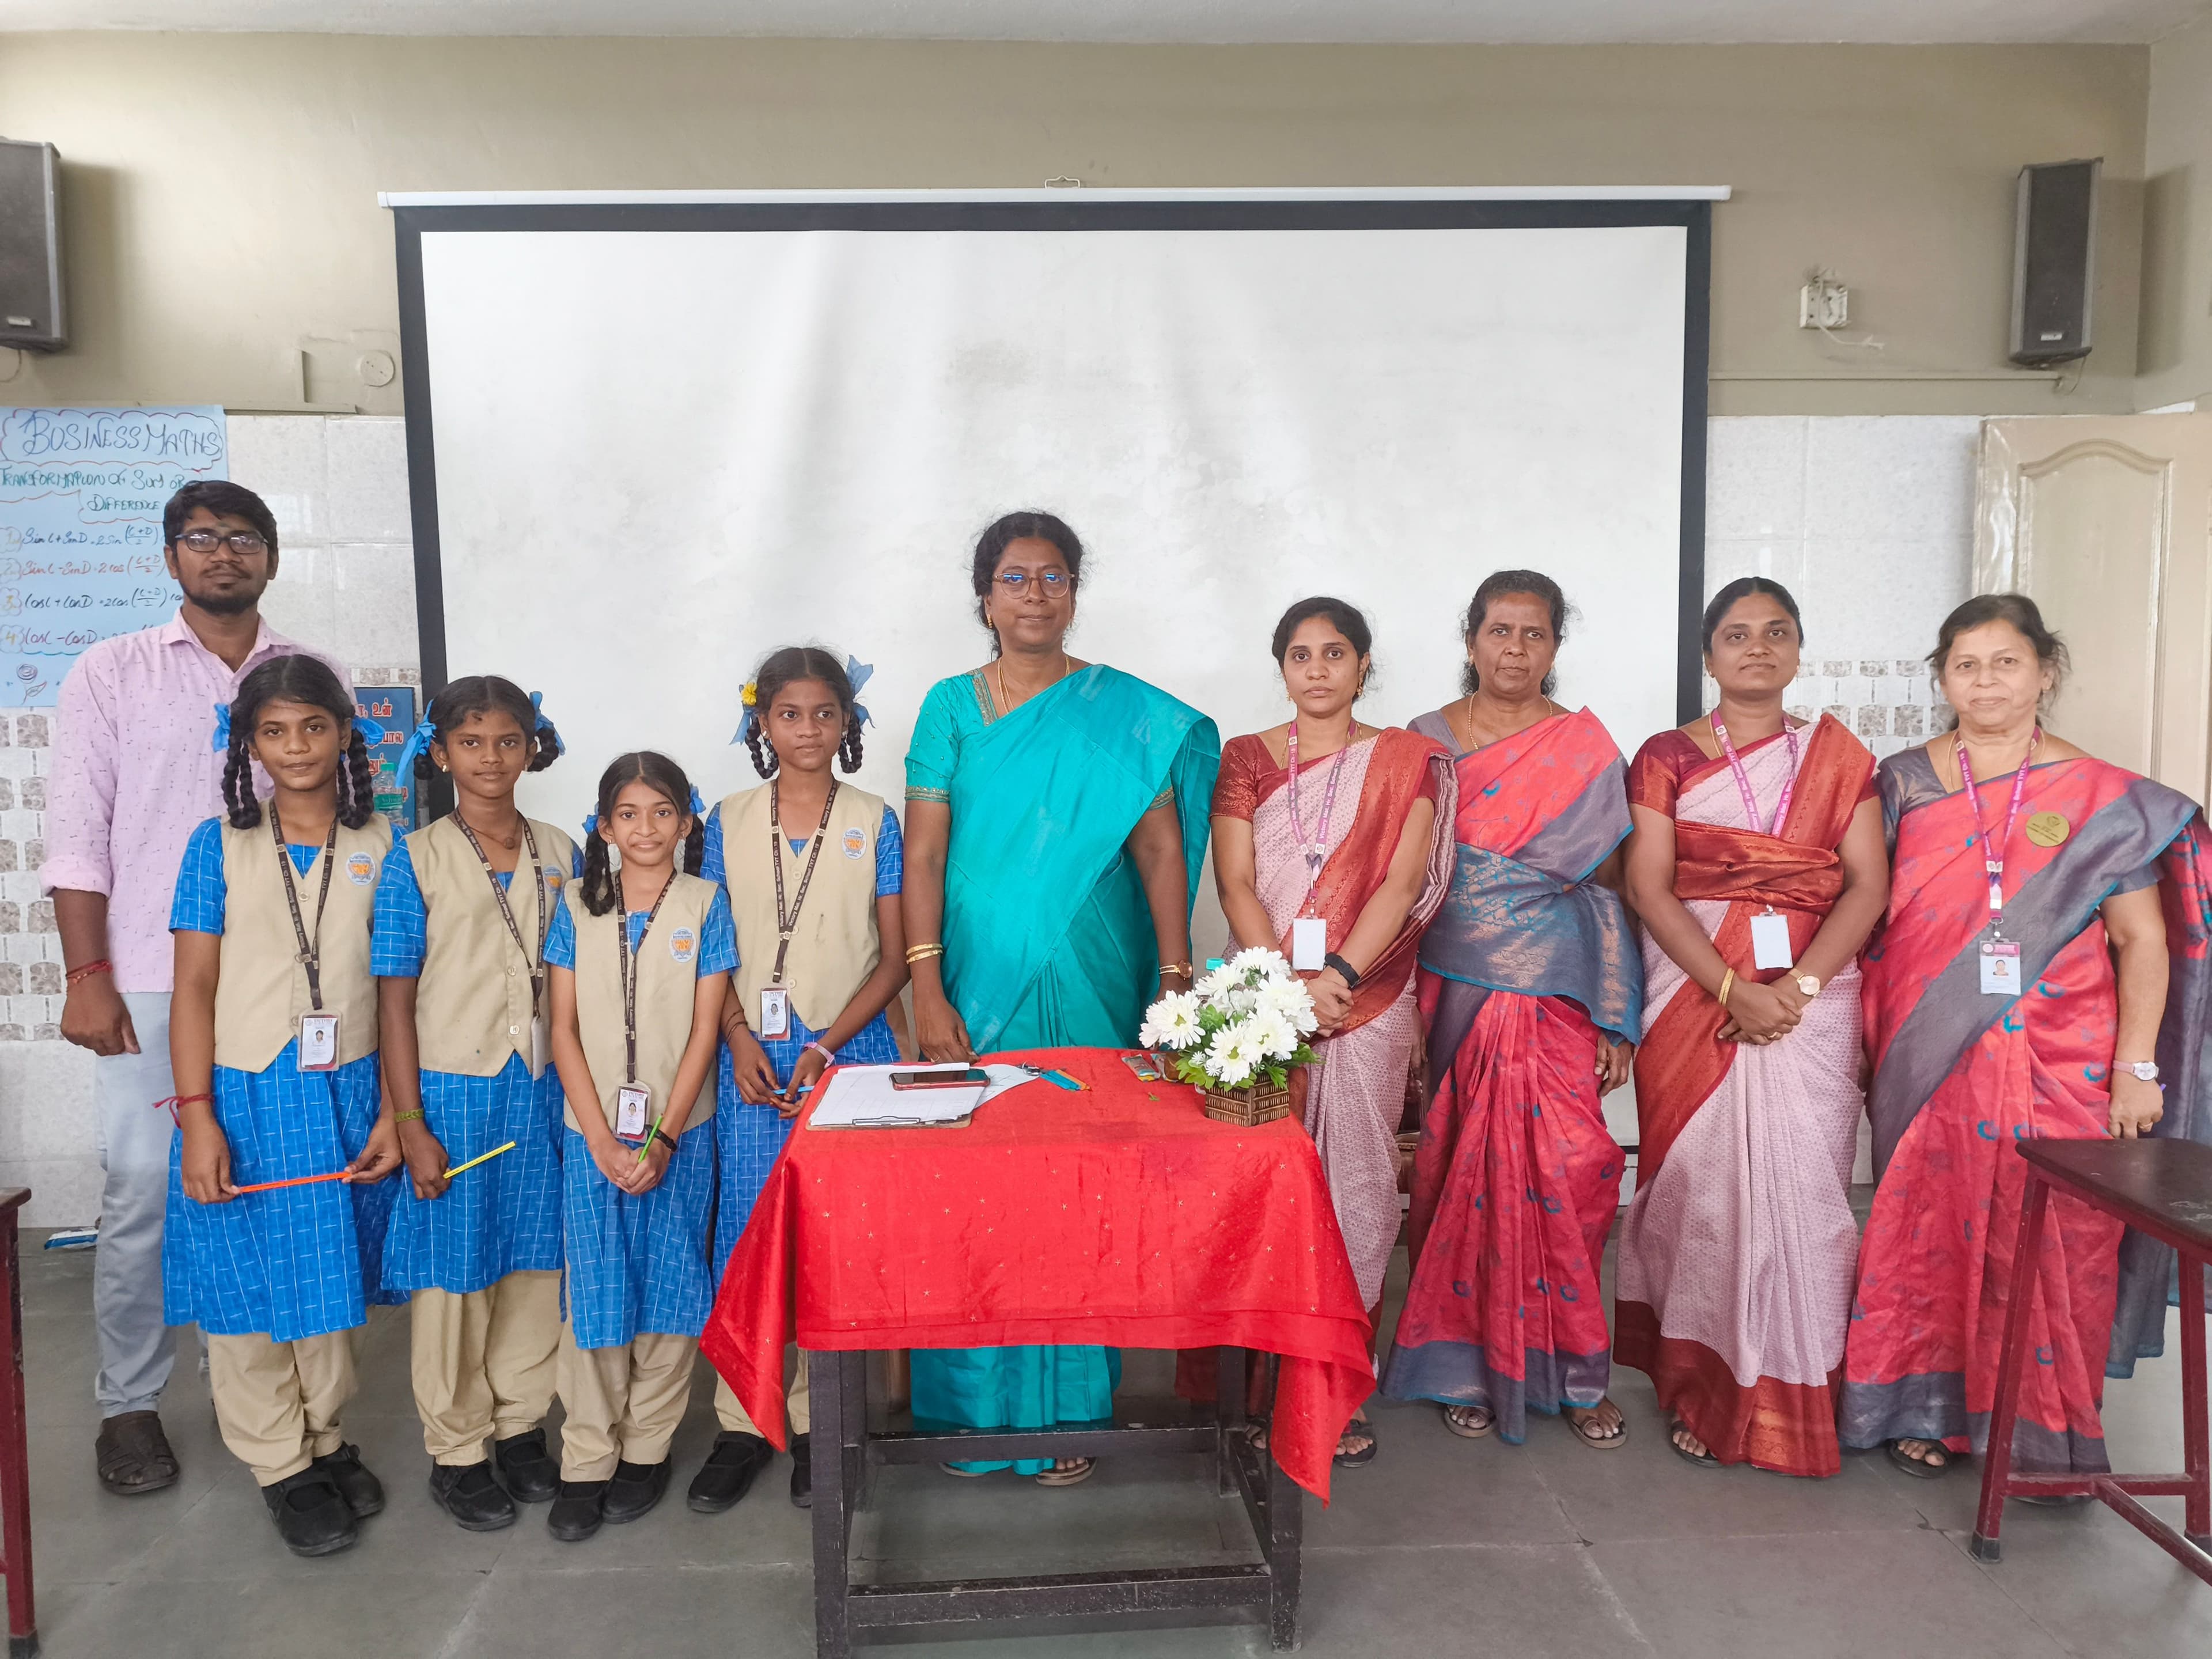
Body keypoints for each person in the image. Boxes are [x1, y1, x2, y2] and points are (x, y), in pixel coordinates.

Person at [1840, 593, 2210, 1481]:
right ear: (1942, 679)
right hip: (1931, 1055)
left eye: (2007, 662)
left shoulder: (2102, 797)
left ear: (2046, 671)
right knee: (1928, 1226)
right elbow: (1864, 914)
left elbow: (2142, 939)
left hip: (2064, 1054)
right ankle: (1928, 1409)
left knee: (2063, 1238)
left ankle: (2046, 1430)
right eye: (1965, 665)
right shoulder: (1901, 784)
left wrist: (2136, 1067)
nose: (1987, 682)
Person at [902, 510, 1219, 1485]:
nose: (1035, 594)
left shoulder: (1123, 714)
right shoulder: (950, 708)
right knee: (977, 1188)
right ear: (985, 597)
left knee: (1086, 1184)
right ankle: (971, 1417)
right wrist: (925, 984)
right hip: (976, 981)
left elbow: (1160, 850)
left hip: (1095, 975)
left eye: (1053, 577)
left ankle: (1075, 1409)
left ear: (1075, 592)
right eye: (1015, 577)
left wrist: (1174, 982)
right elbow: (925, 852)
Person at [46, 479, 350, 1497]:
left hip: (281, 984)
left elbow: (345, 823)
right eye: (203, 537)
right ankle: (129, 1402)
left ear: (272, 556)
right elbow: (77, 837)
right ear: (171, 555)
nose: (225, 553)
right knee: (144, 1190)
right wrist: (88, 976)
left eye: (245, 538)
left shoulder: (311, 674)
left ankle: (249, 1386)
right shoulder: (111, 671)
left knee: (258, 1180)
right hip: (146, 974)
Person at [1616, 577, 1889, 1476]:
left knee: (1808, 1198)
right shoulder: (1665, 756)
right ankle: (1705, 1384)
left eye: (1777, 632)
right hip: (1695, 996)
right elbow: (1648, 886)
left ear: (1799, 651)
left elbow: (1868, 887)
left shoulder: (1841, 759)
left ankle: (1799, 1385)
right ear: (1709, 656)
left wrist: (1797, 989)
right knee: (1706, 1193)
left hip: (1813, 1001)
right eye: (1737, 635)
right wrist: (1734, 990)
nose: (1758, 648)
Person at [1380, 571, 1642, 1450]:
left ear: (1556, 646)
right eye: (1500, 631)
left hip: (1561, 991)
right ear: (1471, 640)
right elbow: (1399, 882)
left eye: (1535, 634)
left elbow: (1610, 890)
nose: (1516, 649)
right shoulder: (1423, 742)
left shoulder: (1587, 749)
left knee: (1571, 1171)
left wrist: (1617, 1012)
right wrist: (1393, 1011)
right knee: (1461, 1173)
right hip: (1451, 986)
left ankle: (1574, 1372)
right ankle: (1466, 1367)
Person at [163, 653, 403, 1556]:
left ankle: (325, 1436)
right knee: (251, 1284)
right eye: (274, 731)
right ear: (248, 746)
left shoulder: (386, 843)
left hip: (349, 1088)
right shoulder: (215, 845)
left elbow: (400, 992)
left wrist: (394, 1110)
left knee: (330, 1275)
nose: (296, 746)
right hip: (244, 1091)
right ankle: (280, 1462)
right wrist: (197, 1118)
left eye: (313, 727)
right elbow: (193, 988)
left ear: (345, 734)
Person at [1212, 596, 1455, 1465]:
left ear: (1363, 665)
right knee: (1259, 1187)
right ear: (1282, 667)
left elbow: (1401, 884)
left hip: (1367, 999)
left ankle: (1333, 1386)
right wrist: (1285, 989)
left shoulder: (1408, 760)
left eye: (1335, 653)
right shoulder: (1245, 757)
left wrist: (1339, 978)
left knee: (1357, 1187)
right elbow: (1236, 882)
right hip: (1264, 999)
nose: (1317, 669)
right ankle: (1256, 1385)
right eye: (1301, 655)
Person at [691, 647, 908, 1514]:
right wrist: (738, 1036)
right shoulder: (724, 820)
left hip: (844, 1056)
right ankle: (744, 1421)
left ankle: (823, 1423)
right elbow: (711, 947)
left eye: (825, 713)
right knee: (746, 1237)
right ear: (762, 723)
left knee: (829, 1243)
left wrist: (824, 1048)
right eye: (790, 714)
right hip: (748, 1058)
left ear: (848, 722)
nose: (808, 729)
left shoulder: (874, 820)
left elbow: (894, 960)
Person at [373, 677, 578, 1531]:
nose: (490, 757)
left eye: (507, 740)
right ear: (440, 752)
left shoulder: (563, 850)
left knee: (536, 1260)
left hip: (545, 1086)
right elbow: (393, 1000)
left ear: (532, 747)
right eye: (470, 742)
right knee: (454, 1273)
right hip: (452, 1091)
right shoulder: (413, 857)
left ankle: (520, 1425)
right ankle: (456, 1448)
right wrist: (409, 1122)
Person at [543, 752, 732, 1542]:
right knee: (594, 1294)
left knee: (672, 1288)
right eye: (628, 814)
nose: (645, 828)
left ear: (686, 823)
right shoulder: (574, 904)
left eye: (662, 813)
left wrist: (662, 1138)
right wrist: (599, 1138)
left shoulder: (707, 903)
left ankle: (647, 1448)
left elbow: (704, 1032)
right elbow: (561, 1029)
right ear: (603, 825)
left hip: (681, 1132)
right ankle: (587, 1455)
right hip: (590, 1134)